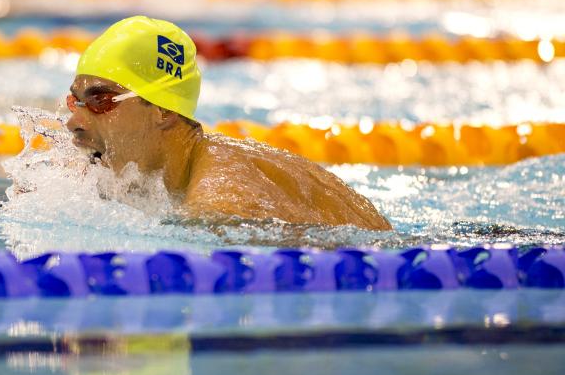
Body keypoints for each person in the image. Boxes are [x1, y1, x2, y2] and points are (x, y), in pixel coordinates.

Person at [66, 16, 392, 231]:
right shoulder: (179, 175)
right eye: (75, 101)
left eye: (100, 100)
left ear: (162, 111)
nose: (74, 122)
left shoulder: (220, 207)